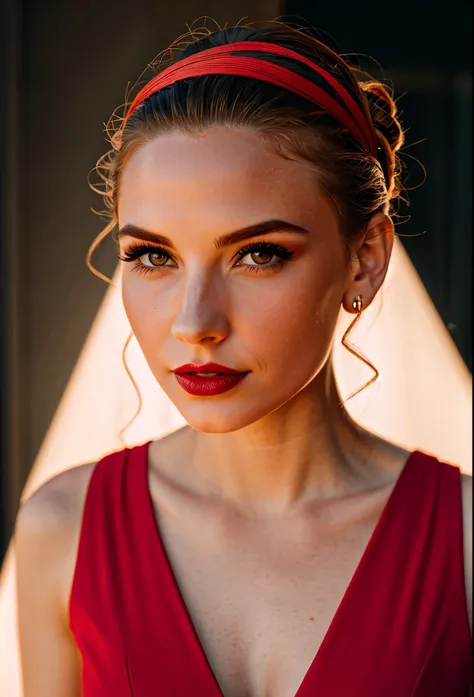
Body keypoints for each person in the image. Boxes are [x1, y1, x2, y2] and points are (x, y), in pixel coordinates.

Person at [14, 20, 472, 697]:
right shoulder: (61, 530)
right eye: (153, 256)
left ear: (365, 259)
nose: (195, 322)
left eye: (259, 254)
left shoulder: (462, 545)